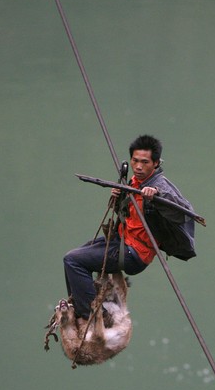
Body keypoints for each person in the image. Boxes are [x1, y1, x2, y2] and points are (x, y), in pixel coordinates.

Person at [63, 134, 191, 321]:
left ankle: (93, 316)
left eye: (145, 162)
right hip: (121, 240)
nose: (138, 167)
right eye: (135, 161)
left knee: (73, 261)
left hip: (134, 253)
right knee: (74, 257)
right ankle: (79, 304)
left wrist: (157, 195)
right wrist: (119, 196)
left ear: (155, 163)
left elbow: (184, 212)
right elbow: (127, 213)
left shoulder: (159, 185)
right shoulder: (134, 182)